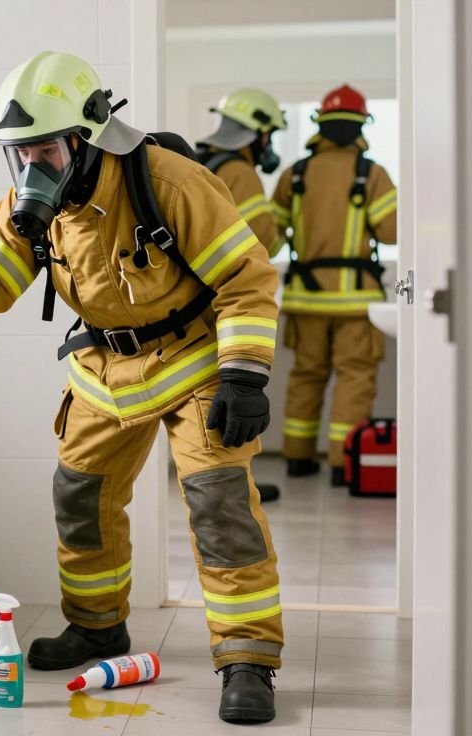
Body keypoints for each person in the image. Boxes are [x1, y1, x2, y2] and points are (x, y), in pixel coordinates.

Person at [0, 50, 285, 724]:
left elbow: (246, 282)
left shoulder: (173, 183)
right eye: (18, 154)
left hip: (193, 363)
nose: (31, 168)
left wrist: (244, 377)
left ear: (87, 135)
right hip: (105, 369)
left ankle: (248, 657)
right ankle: (98, 627)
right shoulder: (33, 204)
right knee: (80, 498)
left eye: (43, 150)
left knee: (220, 508)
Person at [269, 84, 398, 485]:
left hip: (306, 300)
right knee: (354, 378)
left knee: (307, 376)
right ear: (362, 124)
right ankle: (345, 464)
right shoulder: (371, 173)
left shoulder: (296, 174)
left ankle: (297, 458)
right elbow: (392, 232)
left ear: (319, 124)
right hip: (356, 304)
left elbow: (271, 234)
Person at [195, 87, 289, 502]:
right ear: (258, 134)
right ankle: (238, 486)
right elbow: (262, 239)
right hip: (228, 300)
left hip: (194, 302)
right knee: (238, 397)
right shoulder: (241, 171)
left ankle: (225, 485)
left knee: (212, 400)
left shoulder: (196, 163)